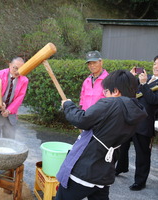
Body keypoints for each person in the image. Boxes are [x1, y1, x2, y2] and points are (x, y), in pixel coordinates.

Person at [55, 70, 147, 200]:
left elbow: (81, 119)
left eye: (105, 92)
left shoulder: (111, 103)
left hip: (86, 169)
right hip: (104, 172)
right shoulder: (136, 110)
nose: (104, 95)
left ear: (115, 91)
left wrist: (68, 105)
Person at [115, 56, 158, 191]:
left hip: (145, 122)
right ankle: (121, 167)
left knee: (142, 153)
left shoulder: (146, 81)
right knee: (122, 146)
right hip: (130, 119)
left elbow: (153, 100)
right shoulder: (146, 77)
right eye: (155, 63)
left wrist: (144, 85)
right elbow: (131, 93)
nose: (156, 66)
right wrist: (131, 77)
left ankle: (140, 181)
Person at [0, 57, 28, 139]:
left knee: (10, 140)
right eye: (15, 68)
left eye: (20, 69)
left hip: (10, 114)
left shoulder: (24, 80)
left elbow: (19, 98)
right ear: (10, 65)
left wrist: (9, 110)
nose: (17, 71)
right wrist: (0, 104)